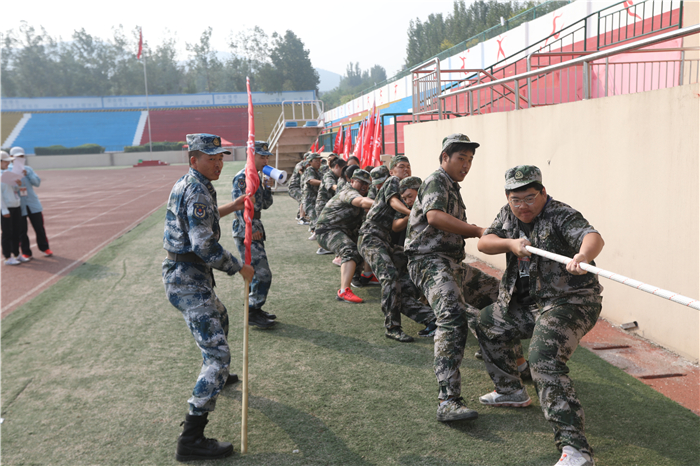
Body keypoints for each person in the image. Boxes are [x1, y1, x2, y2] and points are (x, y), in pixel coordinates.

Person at [475, 165, 604, 466]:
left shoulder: (560, 214)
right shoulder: (508, 215)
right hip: (532, 305)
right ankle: (510, 390)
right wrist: (510, 244)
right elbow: (483, 242)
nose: (523, 206)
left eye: (530, 198)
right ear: (508, 198)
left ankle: (576, 450)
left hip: (571, 303)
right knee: (487, 321)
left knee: (543, 358)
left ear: (543, 192)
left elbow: (592, 236)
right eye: (516, 199)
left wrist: (583, 256)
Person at [162, 133, 255, 462]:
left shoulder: (193, 183)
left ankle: (220, 378)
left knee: (221, 315)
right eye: (210, 158)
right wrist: (239, 267)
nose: (218, 164)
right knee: (217, 357)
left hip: (189, 276)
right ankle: (191, 439)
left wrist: (236, 205)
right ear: (194, 159)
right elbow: (204, 245)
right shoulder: (197, 189)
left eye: (220, 158)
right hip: (187, 279)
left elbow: (202, 219)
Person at [404, 133, 486, 422]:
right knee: (452, 316)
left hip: (451, 263)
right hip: (428, 261)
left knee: (500, 295)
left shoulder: (452, 186)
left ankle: (511, 368)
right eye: (461, 158)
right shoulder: (436, 180)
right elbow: (435, 217)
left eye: (470, 160)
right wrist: (476, 230)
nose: (466, 165)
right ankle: (448, 400)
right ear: (444, 158)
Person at [359, 156, 434, 342]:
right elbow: (393, 203)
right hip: (371, 237)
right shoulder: (392, 182)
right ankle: (392, 327)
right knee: (390, 277)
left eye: (408, 166)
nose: (406, 170)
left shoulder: (403, 194)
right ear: (392, 171)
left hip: (385, 242)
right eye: (401, 167)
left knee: (408, 277)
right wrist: (414, 213)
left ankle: (431, 317)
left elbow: (397, 224)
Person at [230, 141, 277, 329]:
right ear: (251, 156)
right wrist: (249, 228)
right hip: (247, 229)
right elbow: (239, 207)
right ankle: (252, 310)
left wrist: (268, 188)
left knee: (255, 273)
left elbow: (265, 205)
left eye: (267, 157)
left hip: (255, 225)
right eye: (262, 156)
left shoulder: (257, 176)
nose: (266, 160)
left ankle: (255, 310)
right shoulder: (243, 177)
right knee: (262, 273)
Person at [315, 169, 374, 304]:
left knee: (366, 241)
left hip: (345, 231)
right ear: (352, 181)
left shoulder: (362, 193)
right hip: (327, 230)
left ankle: (364, 275)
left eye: (367, 184)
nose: (364, 186)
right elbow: (361, 202)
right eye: (361, 182)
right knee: (349, 249)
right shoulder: (348, 192)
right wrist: (383, 204)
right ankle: (343, 291)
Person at [9, 147, 52, 259]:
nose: (19, 159)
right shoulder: (8, 170)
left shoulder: (28, 169)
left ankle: (44, 248)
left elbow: (37, 183)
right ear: (11, 157)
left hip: (33, 203)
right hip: (18, 205)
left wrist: (28, 173)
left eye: (21, 156)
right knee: (22, 230)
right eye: (17, 157)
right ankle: (26, 252)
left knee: (39, 227)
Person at [315, 157, 346, 255]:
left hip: (329, 205)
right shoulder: (328, 175)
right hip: (323, 205)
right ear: (336, 166)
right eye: (343, 169)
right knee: (322, 227)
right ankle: (321, 248)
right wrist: (345, 190)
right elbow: (332, 186)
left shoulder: (338, 177)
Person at [1, 151, 22, 265]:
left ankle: (16, 254)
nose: (8, 163)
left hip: (15, 205)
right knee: (7, 233)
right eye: (6, 161)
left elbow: (13, 190)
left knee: (16, 231)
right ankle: (7, 257)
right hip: (7, 208)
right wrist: (4, 210)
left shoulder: (8, 173)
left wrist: (18, 185)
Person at [301, 153, 322, 240]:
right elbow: (311, 181)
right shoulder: (310, 170)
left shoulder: (318, 172)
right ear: (310, 162)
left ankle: (314, 231)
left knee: (317, 217)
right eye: (316, 161)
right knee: (314, 217)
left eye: (319, 161)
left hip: (315, 200)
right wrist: (324, 183)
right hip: (309, 200)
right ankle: (317, 234)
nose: (318, 163)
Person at [288, 156, 307, 224]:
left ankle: (299, 215)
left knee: (305, 197)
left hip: (299, 187)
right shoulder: (299, 165)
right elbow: (301, 172)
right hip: (293, 188)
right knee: (303, 198)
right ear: (305, 159)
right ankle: (301, 218)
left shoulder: (308, 166)